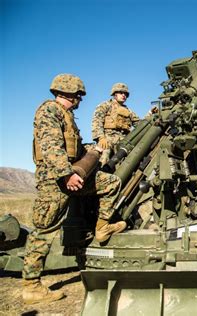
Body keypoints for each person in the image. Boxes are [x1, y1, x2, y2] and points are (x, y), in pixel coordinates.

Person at [23, 74, 127, 304]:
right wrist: (66, 174)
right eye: (79, 95)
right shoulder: (50, 111)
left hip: (73, 176)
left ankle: (102, 227)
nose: (80, 100)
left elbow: (74, 149)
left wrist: (93, 151)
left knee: (110, 183)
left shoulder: (67, 115)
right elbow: (52, 147)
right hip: (55, 180)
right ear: (72, 94)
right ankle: (31, 286)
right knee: (44, 230)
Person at [92, 83, 139, 166]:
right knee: (104, 156)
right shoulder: (105, 105)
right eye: (121, 93)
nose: (124, 95)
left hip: (124, 140)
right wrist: (101, 137)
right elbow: (97, 121)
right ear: (115, 94)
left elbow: (139, 124)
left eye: (125, 94)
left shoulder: (128, 111)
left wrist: (150, 114)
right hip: (107, 139)